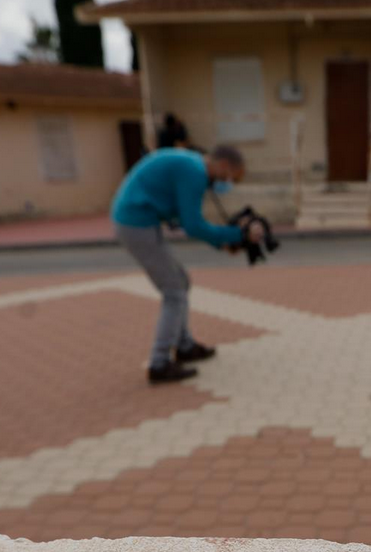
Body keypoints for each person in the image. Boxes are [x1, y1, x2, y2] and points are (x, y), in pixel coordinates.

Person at [111, 144, 264, 384]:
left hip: (139, 222)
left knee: (182, 282)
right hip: (136, 225)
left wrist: (223, 243)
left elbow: (186, 219)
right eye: (229, 177)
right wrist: (238, 235)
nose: (227, 183)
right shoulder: (194, 172)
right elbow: (193, 225)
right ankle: (159, 363)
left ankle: (184, 346)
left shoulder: (193, 165)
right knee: (174, 291)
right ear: (223, 165)